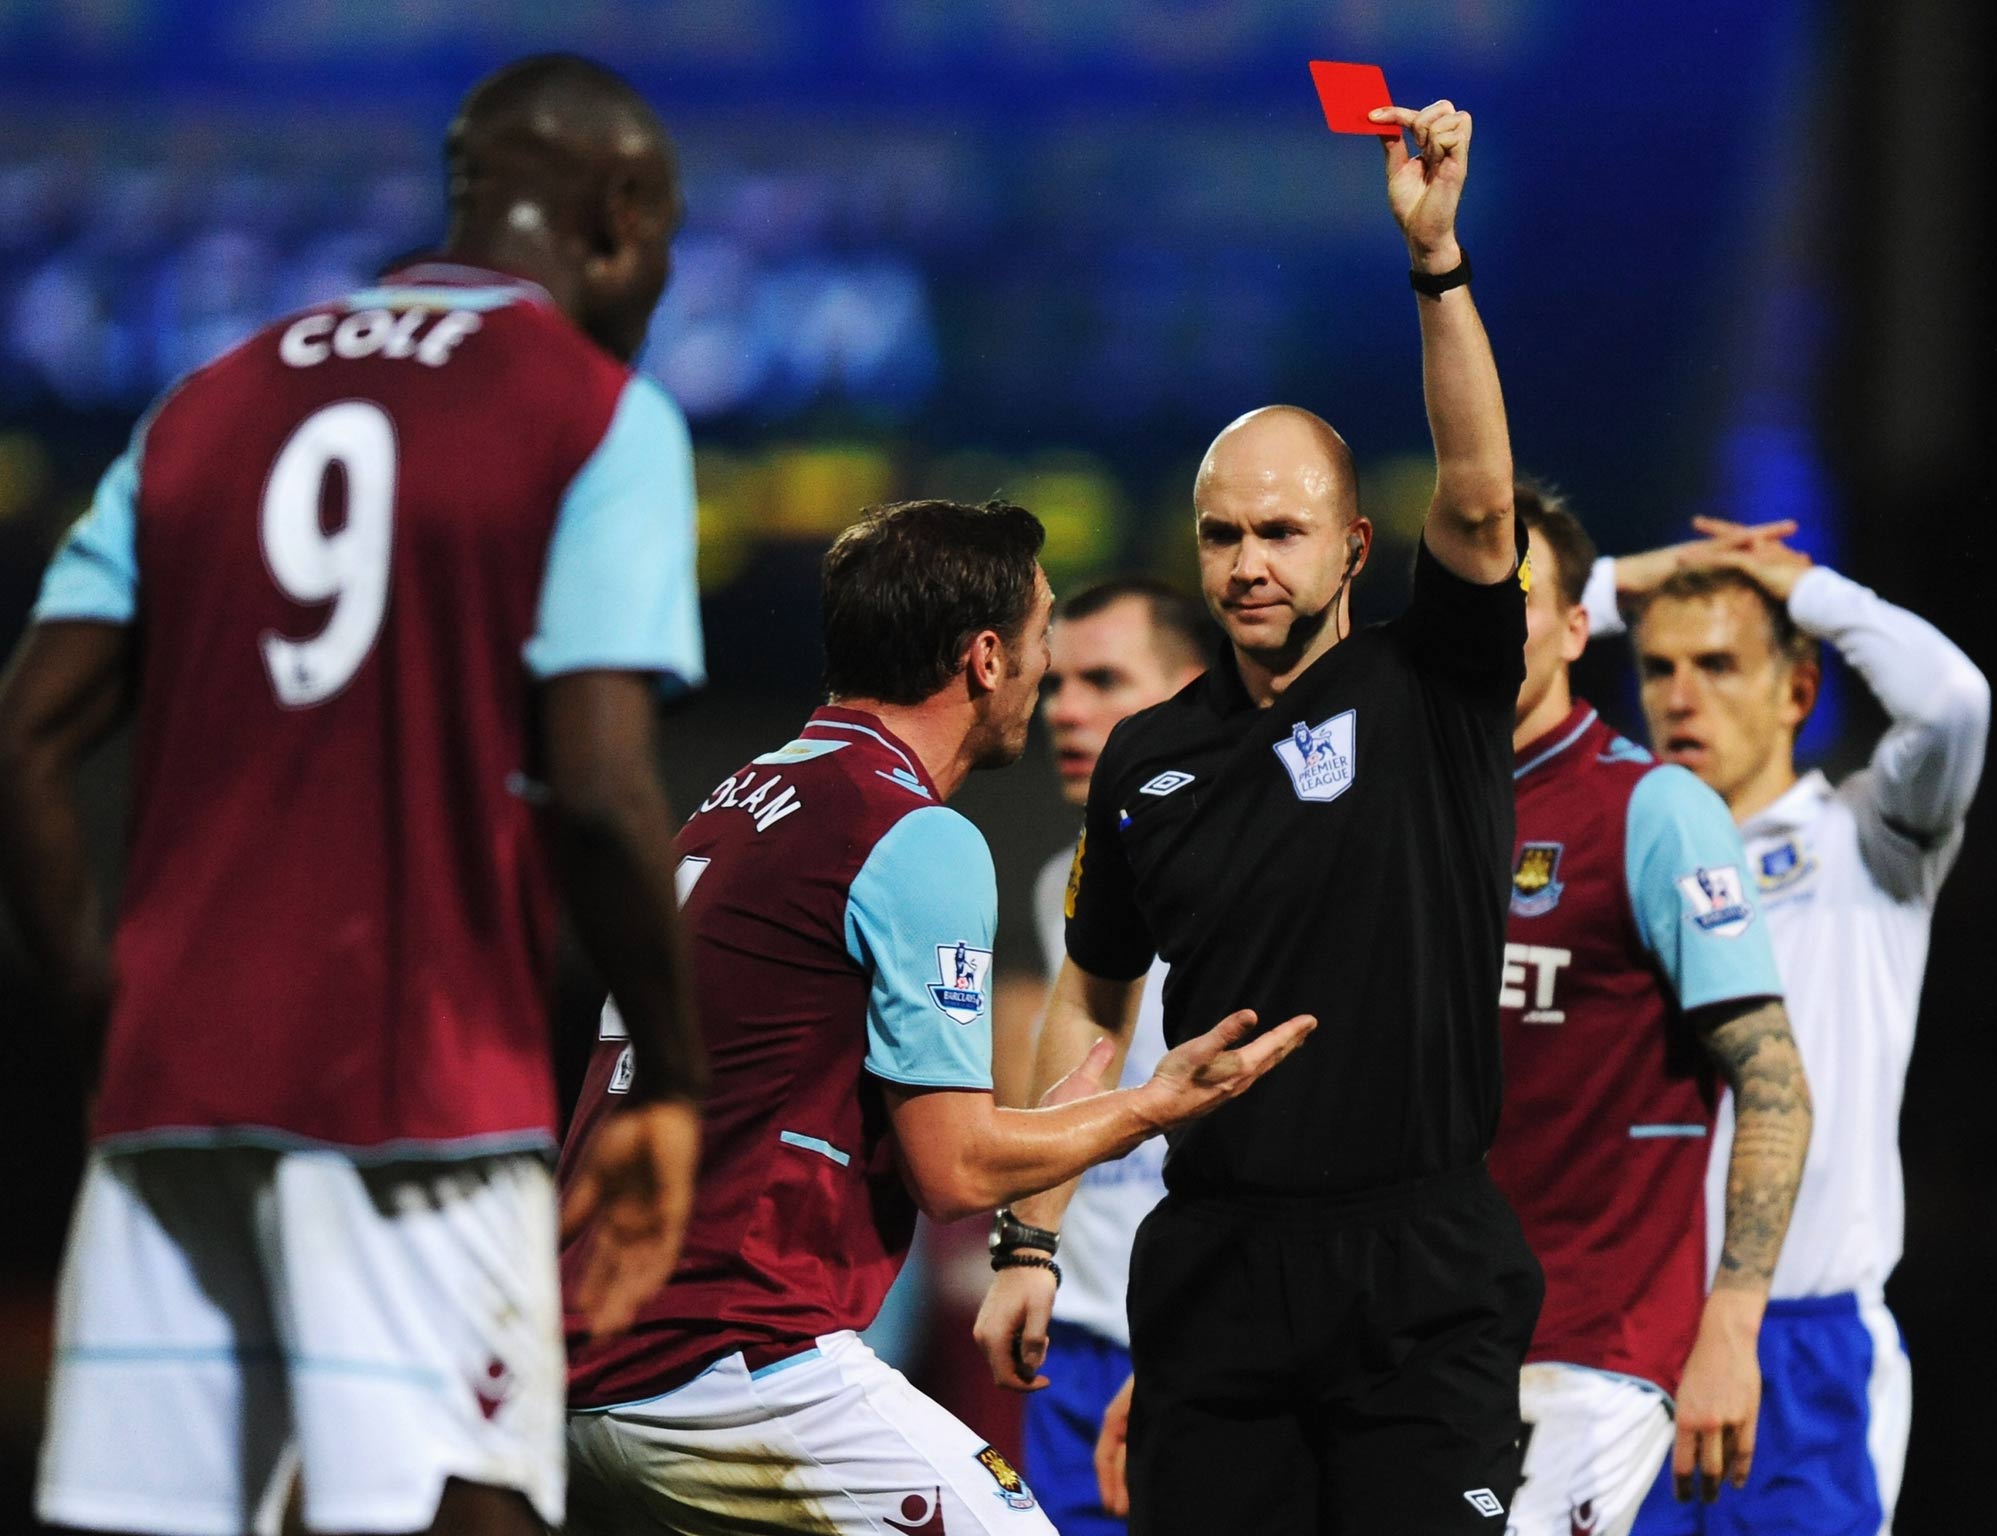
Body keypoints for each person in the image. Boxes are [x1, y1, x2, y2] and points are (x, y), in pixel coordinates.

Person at [0, 55, 710, 1536]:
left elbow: (22, 744)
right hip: (424, 1103)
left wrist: (97, 1017)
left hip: (168, 1106)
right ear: (623, 217)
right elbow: (595, 790)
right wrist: (677, 1075)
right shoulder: (594, 415)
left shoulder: (202, 403)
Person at [985, 97, 1542, 1534]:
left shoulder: (1438, 684)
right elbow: (1092, 1006)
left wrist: (1437, 262)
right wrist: (1030, 1234)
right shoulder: (1147, 760)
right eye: (1222, 532)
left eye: (1281, 530)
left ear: (1353, 544)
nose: (1247, 562)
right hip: (1217, 1270)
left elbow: (1480, 503)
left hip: (1421, 1264)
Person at [556, 499, 1315, 1536]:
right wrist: (1153, 1103)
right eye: (1049, 640)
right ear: (987, 657)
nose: (1051, 681)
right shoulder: (910, 831)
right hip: (727, 1360)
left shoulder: (740, 799)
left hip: (583, 1369)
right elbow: (954, 1168)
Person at [1582, 520, 1990, 1535]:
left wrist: (1806, 590)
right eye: (1659, 667)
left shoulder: (1866, 840)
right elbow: (1464, 673)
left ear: (1795, 692)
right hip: (1626, 1343)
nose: (1680, 695)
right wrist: (1625, 581)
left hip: (1804, 1347)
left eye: (1718, 664)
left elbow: (1951, 701)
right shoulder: (1616, 848)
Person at [1492, 488, 1811, 1533]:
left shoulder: (1652, 808)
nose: (1489, 612)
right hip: (1408, 1343)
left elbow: (1771, 1082)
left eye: (1520, 592)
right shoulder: (1404, 814)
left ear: (1579, 627)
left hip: (1590, 1357)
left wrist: (1729, 1323)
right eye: (1468, 589)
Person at [971, 577, 1211, 1536]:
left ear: (1194, 690)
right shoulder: (1051, 882)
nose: (1068, 709)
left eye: (1105, 679)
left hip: (1200, 1330)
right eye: (1059, 681)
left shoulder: (1266, 871)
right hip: (1070, 1332)